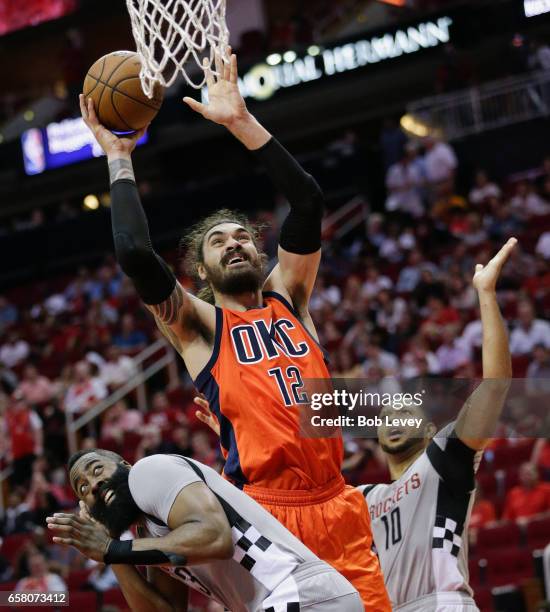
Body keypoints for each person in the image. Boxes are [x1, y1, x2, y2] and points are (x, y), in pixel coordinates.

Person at [80, 47, 389, 608]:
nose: (235, 242)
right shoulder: (198, 326)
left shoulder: (289, 297)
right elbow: (133, 252)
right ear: (200, 271)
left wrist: (242, 122)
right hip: (267, 513)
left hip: (340, 504)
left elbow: (308, 200)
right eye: (218, 240)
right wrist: (118, 158)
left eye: (243, 235)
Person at [357, 238, 516, 611]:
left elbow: (495, 386)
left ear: (429, 430)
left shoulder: (443, 457)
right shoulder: (363, 498)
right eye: (388, 416)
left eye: (406, 412)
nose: (395, 419)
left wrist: (486, 293)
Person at [47, 449, 363, 611]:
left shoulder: (147, 472)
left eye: (97, 469)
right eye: (83, 487)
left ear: (125, 466)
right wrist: (112, 550)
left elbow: (216, 536)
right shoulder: (148, 536)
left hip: (295, 590)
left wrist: (111, 549)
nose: (94, 484)